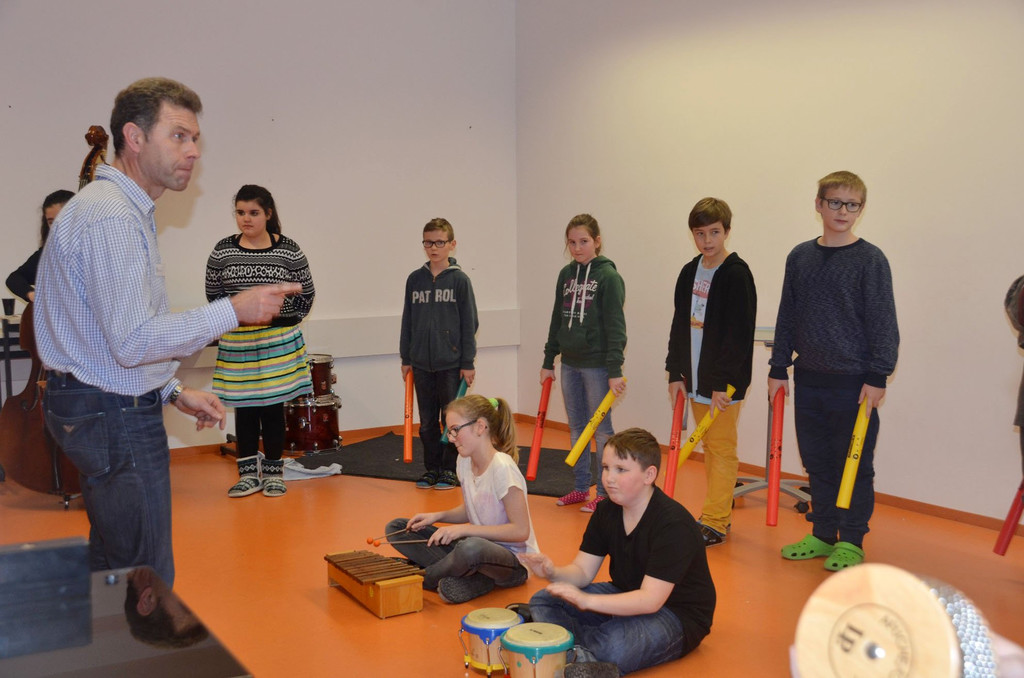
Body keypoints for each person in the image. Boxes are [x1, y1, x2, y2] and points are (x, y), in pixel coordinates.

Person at [33, 77, 300, 587]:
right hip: (112, 413)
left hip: (101, 400)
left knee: (116, 564)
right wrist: (233, 310)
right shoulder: (112, 216)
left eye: (195, 138)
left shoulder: (114, 209)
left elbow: (103, 339)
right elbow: (132, 341)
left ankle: (110, 638)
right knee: (146, 577)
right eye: (179, 136)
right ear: (134, 137)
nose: (193, 151)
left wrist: (172, 390)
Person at [768, 170, 899, 572]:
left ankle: (852, 540)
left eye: (852, 204)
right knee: (817, 462)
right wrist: (778, 366)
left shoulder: (870, 260)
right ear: (819, 205)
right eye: (835, 202)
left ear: (861, 209)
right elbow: (788, 314)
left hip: (854, 385)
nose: (843, 211)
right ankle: (824, 534)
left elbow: (883, 321)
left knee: (854, 465)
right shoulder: (800, 257)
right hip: (809, 378)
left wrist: (878, 376)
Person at [520, 428, 715, 677]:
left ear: (649, 475)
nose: (608, 478)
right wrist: (552, 572)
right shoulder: (606, 511)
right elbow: (582, 572)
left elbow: (651, 600)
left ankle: (571, 649)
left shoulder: (673, 524)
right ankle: (584, 655)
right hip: (625, 593)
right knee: (545, 600)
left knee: (615, 645)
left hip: (676, 614)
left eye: (621, 470)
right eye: (605, 467)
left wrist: (587, 601)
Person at [205, 185, 315, 498]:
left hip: (277, 341)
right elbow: (214, 296)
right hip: (239, 342)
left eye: (253, 212)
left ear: (268, 214)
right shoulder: (223, 251)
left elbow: (306, 295)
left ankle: (274, 474)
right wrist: (241, 318)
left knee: (273, 410)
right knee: (246, 410)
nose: (246, 219)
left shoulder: (289, 250)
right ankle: (248, 475)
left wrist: (274, 318)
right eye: (240, 212)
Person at [385, 394, 538, 604]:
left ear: (480, 427)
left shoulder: (503, 467)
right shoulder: (464, 461)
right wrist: (436, 516)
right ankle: (473, 578)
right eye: (449, 431)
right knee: (398, 528)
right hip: (475, 549)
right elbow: (472, 509)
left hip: (512, 562)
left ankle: (423, 577)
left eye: (455, 429)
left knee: (470, 547)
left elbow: (520, 531)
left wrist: (464, 530)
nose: (450, 438)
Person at [665, 197, 756, 546]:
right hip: (694, 378)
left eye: (714, 232)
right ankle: (716, 514)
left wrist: (723, 383)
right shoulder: (689, 271)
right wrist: (674, 371)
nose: (707, 240)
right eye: (700, 233)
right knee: (710, 447)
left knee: (720, 448)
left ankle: (716, 520)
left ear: (727, 231)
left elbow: (738, 335)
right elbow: (679, 323)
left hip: (722, 385)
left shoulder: (736, 274)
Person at [541, 213, 627, 513]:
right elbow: (557, 318)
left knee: (601, 431)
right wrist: (548, 360)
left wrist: (615, 370)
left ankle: (604, 493)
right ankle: (580, 488)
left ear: (597, 241)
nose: (577, 248)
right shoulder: (566, 275)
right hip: (569, 364)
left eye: (584, 241)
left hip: (597, 366)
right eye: (572, 243)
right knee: (577, 428)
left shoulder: (609, 277)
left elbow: (616, 326)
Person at [399, 217, 478, 491]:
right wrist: (406, 358)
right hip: (421, 364)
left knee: (451, 422)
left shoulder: (460, 281)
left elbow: (470, 323)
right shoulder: (415, 280)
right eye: (428, 243)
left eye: (439, 242)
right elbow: (408, 321)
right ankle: (431, 469)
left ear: (452, 244)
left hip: (451, 364)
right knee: (427, 423)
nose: (433, 248)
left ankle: (450, 470)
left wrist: (467, 362)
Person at [5, 189, 75, 303]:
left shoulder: (95, 250)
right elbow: (14, 279)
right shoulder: (49, 253)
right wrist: (32, 294)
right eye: (51, 222)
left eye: (63, 219)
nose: (57, 226)